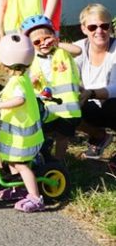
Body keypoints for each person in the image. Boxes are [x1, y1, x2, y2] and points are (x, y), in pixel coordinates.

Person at [0, 34, 46, 212]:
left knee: (21, 165)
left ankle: (36, 198)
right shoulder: (22, 78)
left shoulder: (18, 81)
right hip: (17, 135)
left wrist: (0, 106)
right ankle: (18, 188)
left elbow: (20, 99)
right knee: (11, 162)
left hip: (23, 137)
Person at [22, 15, 81, 161]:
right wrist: (30, 81)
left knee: (63, 136)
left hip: (66, 107)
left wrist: (57, 44)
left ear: (53, 36)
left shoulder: (61, 52)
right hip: (44, 106)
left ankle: (59, 162)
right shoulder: (30, 59)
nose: (43, 43)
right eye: (37, 41)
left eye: (46, 38)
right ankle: (42, 157)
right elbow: (22, 82)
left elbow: (78, 50)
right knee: (42, 133)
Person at [73, 4, 116, 160]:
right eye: (92, 27)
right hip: (90, 102)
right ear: (84, 29)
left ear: (110, 27)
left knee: (112, 105)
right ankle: (99, 136)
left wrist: (90, 93)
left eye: (104, 26)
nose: (99, 31)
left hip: (109, 102)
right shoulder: (77, 48)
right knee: (66, 106)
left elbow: (115, 88)